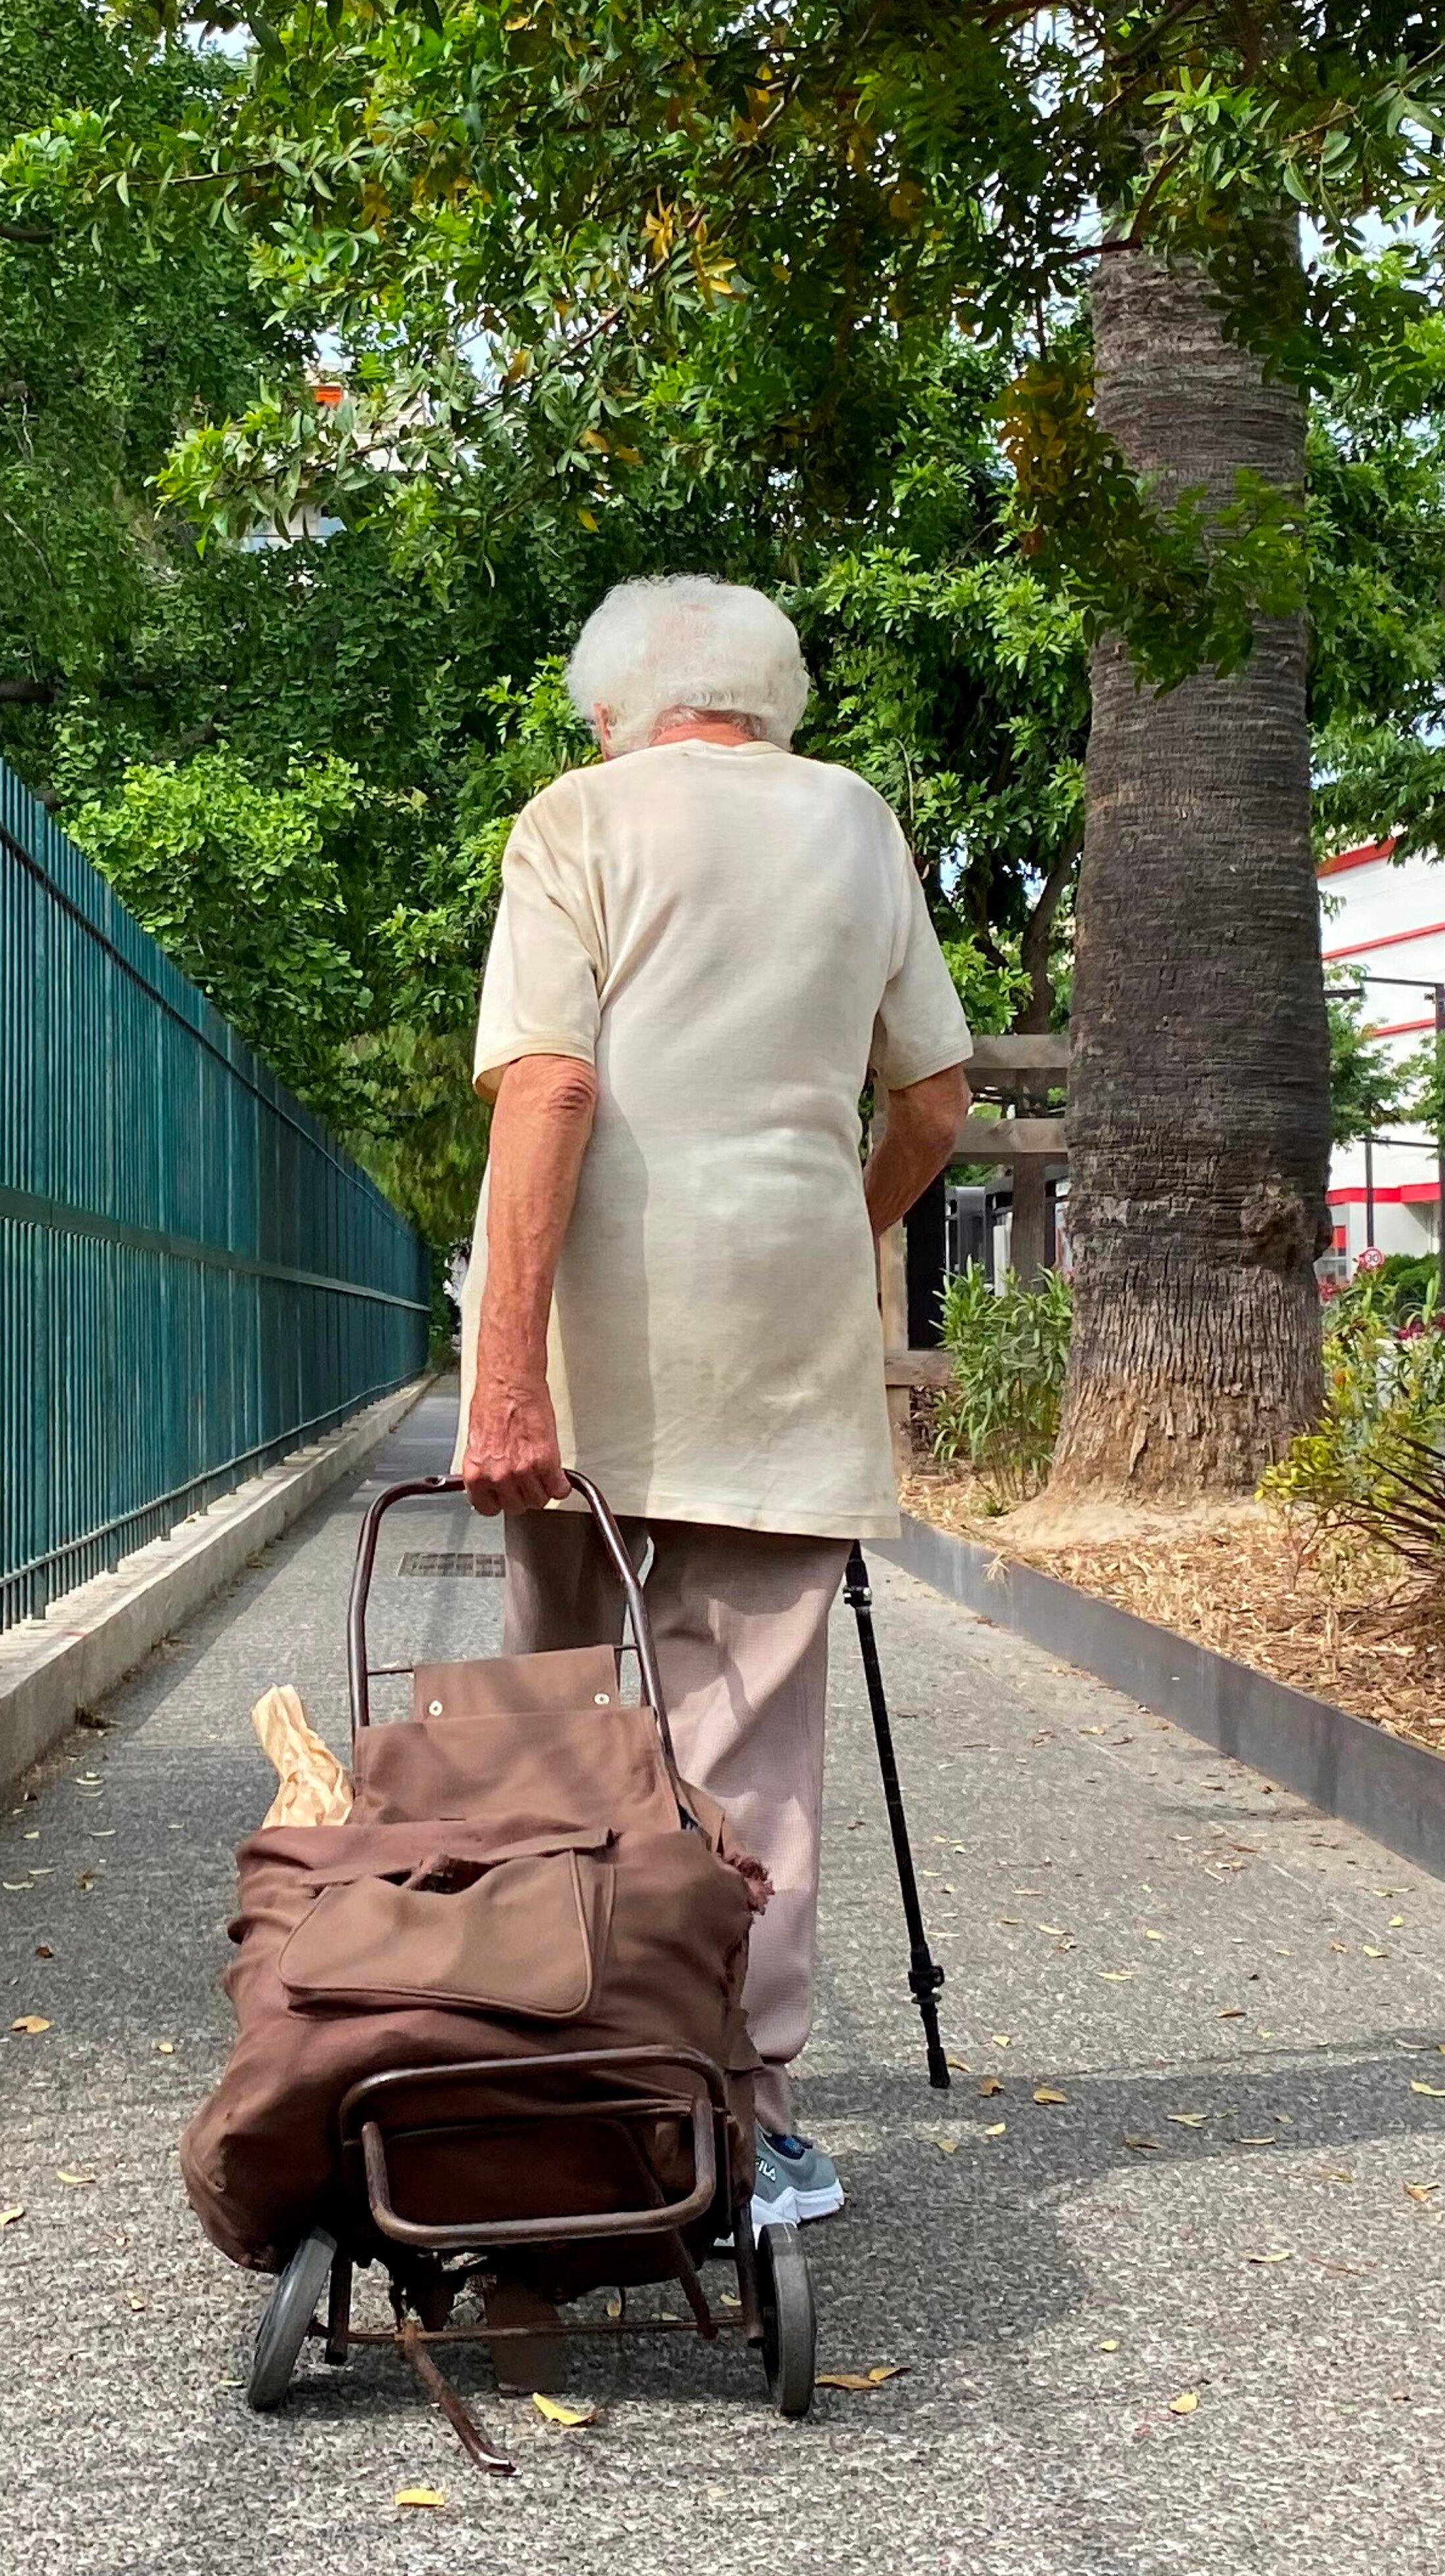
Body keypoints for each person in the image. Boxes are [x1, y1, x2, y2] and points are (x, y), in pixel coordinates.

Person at [456, 573, 969, 2232]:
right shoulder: (856, 821)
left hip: (588, 1355)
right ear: (771, 703)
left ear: (612, 710)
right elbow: (936, 1106)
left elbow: (546, 1080)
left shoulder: (576, 817)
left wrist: (507, 1371)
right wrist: (831, 1229)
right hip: (786, 1352)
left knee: (554, 1712)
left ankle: (535, 2059)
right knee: (744, 1750)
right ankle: (741, 2122)